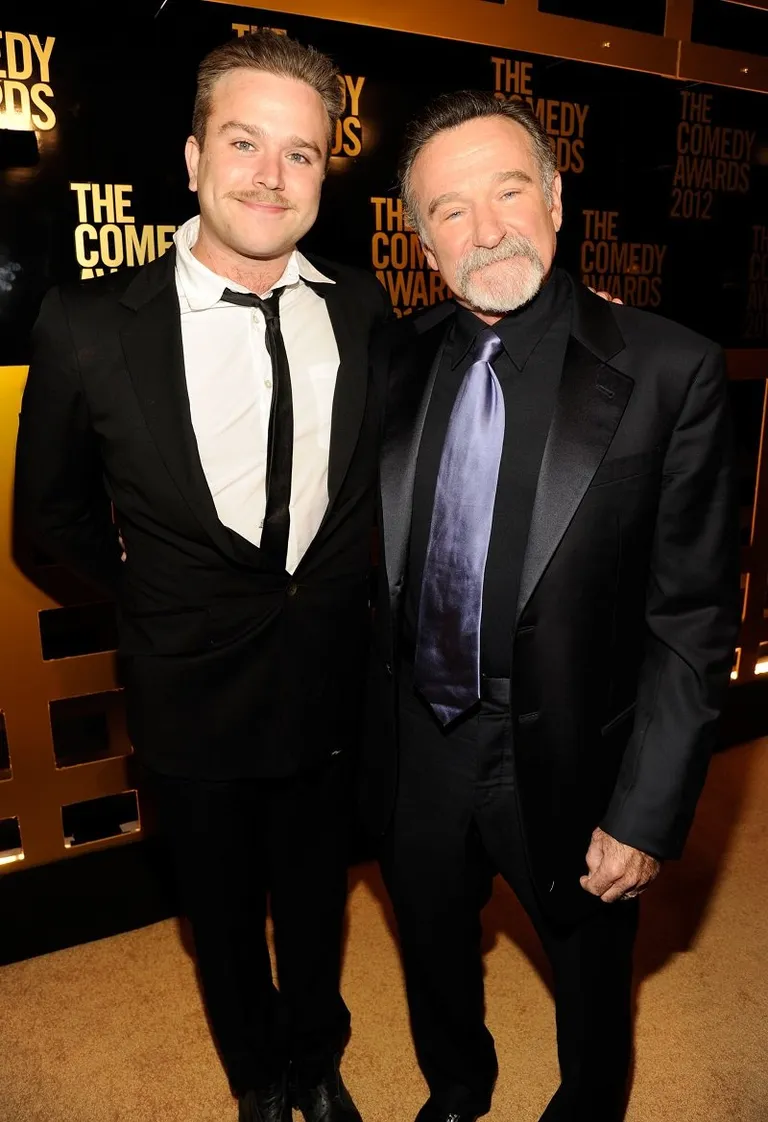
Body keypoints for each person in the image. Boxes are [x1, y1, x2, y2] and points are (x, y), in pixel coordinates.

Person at [14, 30, 389, 1122]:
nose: (271, 176)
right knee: (219, 913)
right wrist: (150, 598)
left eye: (303, 154)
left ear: (327, 170)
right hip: (186, 688)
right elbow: (46, 519)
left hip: (330, 678)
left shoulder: (362, 312)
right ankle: (260, 1082)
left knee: (321, 902)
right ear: (190, 158)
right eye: (244, 142)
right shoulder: (88, 326)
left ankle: (318, 1062)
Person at [361, 90, 740, 1122]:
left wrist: (647, 813)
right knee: (430, 944)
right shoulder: (388, 361)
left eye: (508, 191)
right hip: (415, 745)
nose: (485, 231)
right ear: (420, 236)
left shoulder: (671, 372)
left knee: (589, 980)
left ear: (558, 197)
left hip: (579, 760)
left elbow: (691, 623)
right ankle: (457, 1087)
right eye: (448, 209)